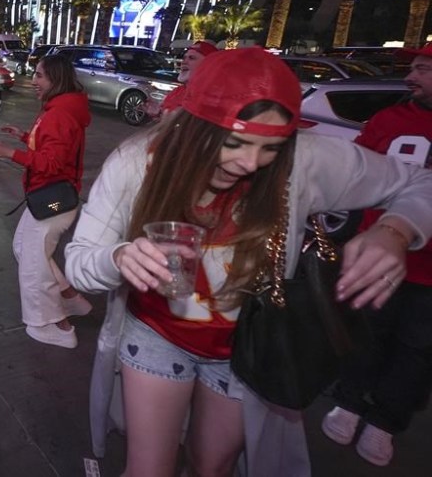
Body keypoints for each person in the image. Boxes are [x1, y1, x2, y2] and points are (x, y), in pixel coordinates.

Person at [63, 47, 432, 476]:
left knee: (213, 466)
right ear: (193, 126)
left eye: (270, 148)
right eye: (235, 142)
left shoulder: (304, 160)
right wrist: (119, 257)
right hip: (156, 333)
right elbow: (79, 263)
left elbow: (419, 181)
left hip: (247, 346)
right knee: (149, 469)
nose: (251, 162)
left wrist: (394, 230)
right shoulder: (136, 162)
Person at [322, 42, 432, 467]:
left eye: (423, 69)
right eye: (415, 68)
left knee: (416, 351)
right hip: (374, 260)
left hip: (427, 274)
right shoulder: (388, 119)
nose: (412, 77)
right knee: (364, 333)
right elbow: (355, 176)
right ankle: (348, 402)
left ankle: (385, 421)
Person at [0, 55, 93, 348]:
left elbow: (52, 162)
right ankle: (70, 298)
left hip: (54, 201)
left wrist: (7, 152)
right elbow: (55, 147)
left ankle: (56, 325)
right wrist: (25, 137)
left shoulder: (59, 113)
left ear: (56, 78)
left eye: (40, 76)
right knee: (24, 249)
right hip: (49, 197)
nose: (34, 82)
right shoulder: (62, 108)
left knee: (32, 260)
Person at [147, 40, 219, 119]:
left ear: (208, 65)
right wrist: (158, 113)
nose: (184, 62)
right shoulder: (177, 91)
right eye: (184, 58)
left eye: (191, 58)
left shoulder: (213, 98)